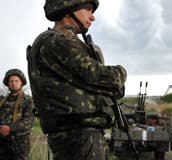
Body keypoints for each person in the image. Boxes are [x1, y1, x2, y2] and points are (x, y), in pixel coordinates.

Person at [26, 0, 127, 159]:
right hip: (80, 135)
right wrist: (121, 73)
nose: (92, 17)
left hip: (78, 134)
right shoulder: (57, 41)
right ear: (67, 9)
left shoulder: (60, 41)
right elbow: (101, 77)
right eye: (87, 9)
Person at [0, 69, 35, 160]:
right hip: (2, 142)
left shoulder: (28, 100)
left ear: (21, 83)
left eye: (16, 81)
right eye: (11, 81)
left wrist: (10, 128)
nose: (13, 83)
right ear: (7, 83)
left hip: (19, 142)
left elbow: (29, 121)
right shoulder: (2, 100)